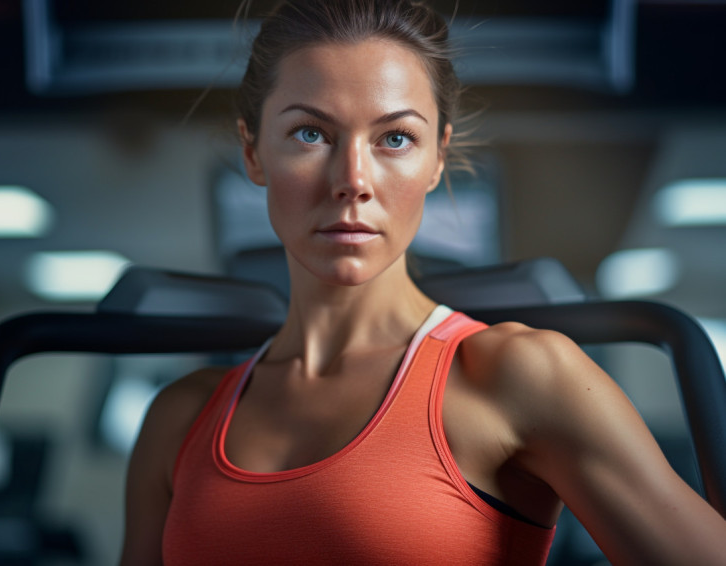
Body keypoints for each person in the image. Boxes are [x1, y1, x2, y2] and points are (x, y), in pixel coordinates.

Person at [120, 0, 726, 564]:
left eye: (395, 138)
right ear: (253, 153)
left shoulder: (519, 376)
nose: (353, 179)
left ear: (436, 158)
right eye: (310, 133)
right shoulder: (178, 418)